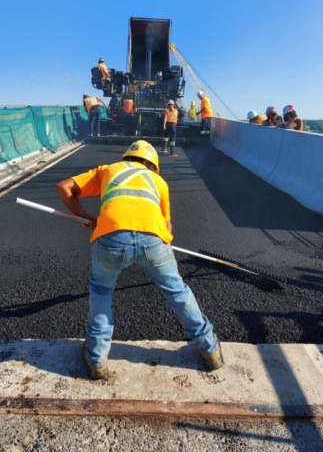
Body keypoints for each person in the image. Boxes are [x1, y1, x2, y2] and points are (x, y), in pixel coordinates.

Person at [56, 140, 224, 380]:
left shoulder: (107, 169)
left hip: (110, 237)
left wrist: (85, 216)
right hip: (153, 239)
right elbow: (167, 225)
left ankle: (96, 359)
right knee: (177, 290)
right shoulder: (159, 181)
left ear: (126, 158)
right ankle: (211, 350)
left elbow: (64, 187)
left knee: (102, 290)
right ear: (152, 165)